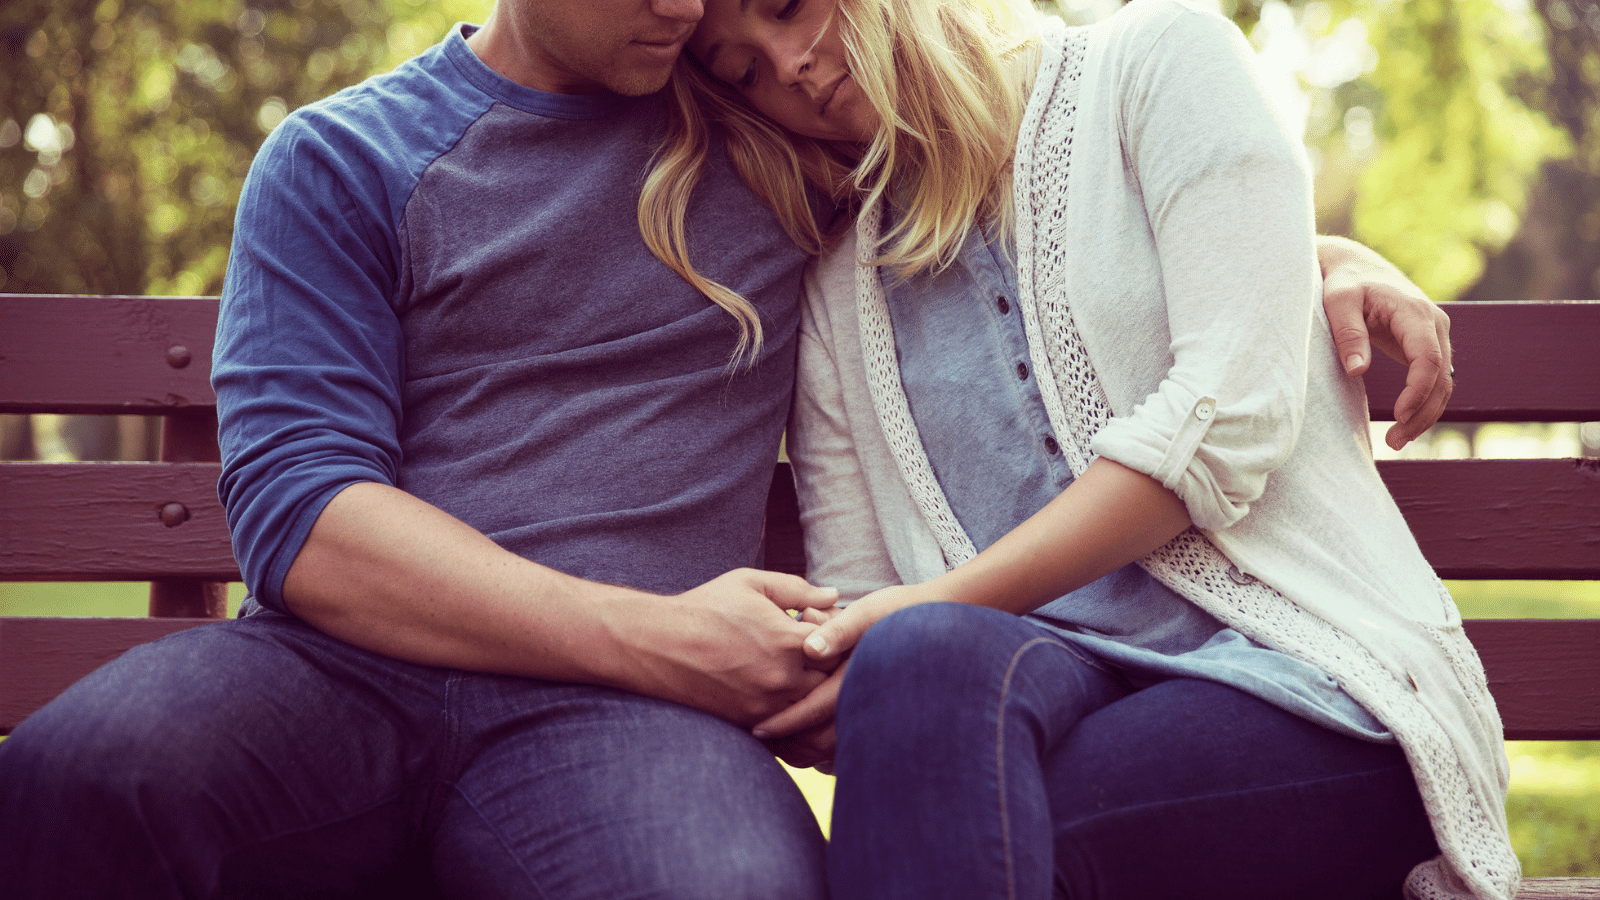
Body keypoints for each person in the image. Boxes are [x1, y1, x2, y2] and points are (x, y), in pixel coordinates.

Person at [0, 0, 1454, 897]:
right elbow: (304, 519)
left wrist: (1311, 256)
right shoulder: (342, 160)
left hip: (618, 743)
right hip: (339, 677)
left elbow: (1017, 174)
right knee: (80, 778)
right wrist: (651, 640)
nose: (698, 13)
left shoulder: (759, 143)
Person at [652, 0, 1519, 899]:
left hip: (1310, 686)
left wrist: (933, 608)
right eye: (744, 71)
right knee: (920, 667)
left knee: (985, 821)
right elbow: (870, 593)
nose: (788, 66)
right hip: (1041, 697)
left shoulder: (1158, 64)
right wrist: (846, 670)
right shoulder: (838, 281)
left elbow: (1229, 420)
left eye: (788, 10)